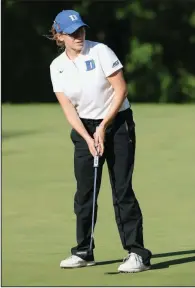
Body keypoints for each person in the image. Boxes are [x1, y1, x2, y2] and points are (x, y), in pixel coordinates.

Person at [49, 9, 152, 273]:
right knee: (85, 191)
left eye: (81, 30)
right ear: (59, 36)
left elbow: (121, 90)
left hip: (117, 123)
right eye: (72, 33)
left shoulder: (101, 52)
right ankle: (83, 250)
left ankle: (137, 253)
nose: (79, 36)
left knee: (121, 189)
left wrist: (104, 126)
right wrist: (87, 136)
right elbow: (69, 109)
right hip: (84, 127)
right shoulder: (57, 66)